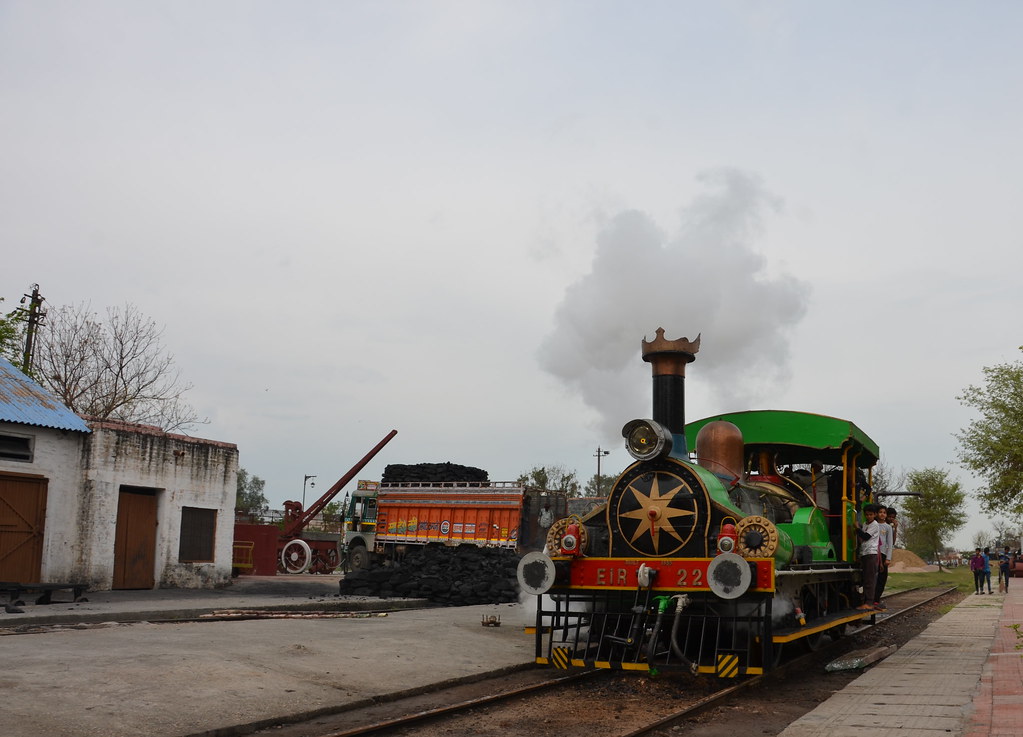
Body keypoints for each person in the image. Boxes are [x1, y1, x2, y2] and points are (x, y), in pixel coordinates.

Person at [855, 503, 881, 610]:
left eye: (871, 514)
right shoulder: (865, 524)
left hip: (871, 553)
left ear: (875, 515)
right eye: (867, 515)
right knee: (865, 579)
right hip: (865, 553)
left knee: (869, 579)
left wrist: (857, 528)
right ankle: (865, 601)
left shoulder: (875, 524)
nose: (869, 516)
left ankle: (869, 602)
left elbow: (865, 536)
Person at [873, 506, 893, 609]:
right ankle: (871, 599)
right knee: (873, 578)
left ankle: (876, 599)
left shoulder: (888, 527)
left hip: (883, 555)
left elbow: (890, 544)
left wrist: (888, 558)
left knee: (882, 578)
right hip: (873, 553)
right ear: (876, 514)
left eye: (884, 512)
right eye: (880, 512)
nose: (882, 514)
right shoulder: (873, 525)